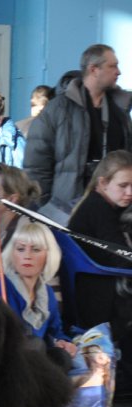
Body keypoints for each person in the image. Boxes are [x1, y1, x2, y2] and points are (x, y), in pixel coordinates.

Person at [24, 44, 132, 222]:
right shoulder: (58, 109)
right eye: (112, 66)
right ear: (93, 69)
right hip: (66, 212)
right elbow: (36, 165)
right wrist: (47, 207)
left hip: (114, 213)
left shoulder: (120, 112)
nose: (118, 72)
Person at [68, 150, 132, 384]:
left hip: (91, 290)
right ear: (103, 182)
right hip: (99, 299)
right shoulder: (100, 210)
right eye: (123, 185)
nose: (130, 193)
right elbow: (122, 257)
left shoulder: (93, 204)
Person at [0, 219, 76, 370]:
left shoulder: (47, 293)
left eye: (35, 250)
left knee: (61, 357)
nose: (27, 256)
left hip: (33, 365)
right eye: (21, 249)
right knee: (34, 345)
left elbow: (56, 332)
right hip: (1, 365)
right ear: (12, 253)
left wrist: (62, 342)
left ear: (48, 255)